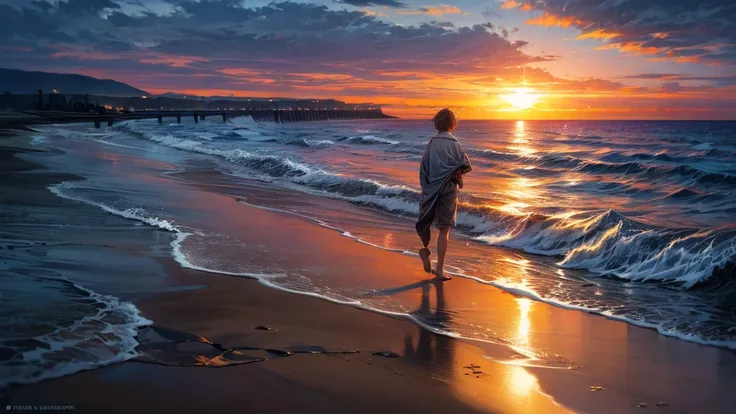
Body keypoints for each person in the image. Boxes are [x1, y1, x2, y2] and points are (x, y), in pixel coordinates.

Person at [415, 108, 471, 281]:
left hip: (431, 189)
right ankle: (439, 269)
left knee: (428, 221)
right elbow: (465, 165)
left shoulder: (432, 143)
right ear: (453, 123)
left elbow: (423, 168)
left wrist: (426, 187)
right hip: (448, 190)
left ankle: (425, 249)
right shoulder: (455, 143)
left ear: (437, 123)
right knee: (444, 230)